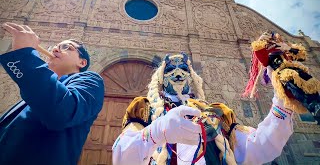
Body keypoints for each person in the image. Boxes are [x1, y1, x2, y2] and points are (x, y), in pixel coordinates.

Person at [112, 50, 294, 165]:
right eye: (170, 70)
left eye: (183, 68)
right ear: (161, 77)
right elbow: (121, 157)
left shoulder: (215, 113)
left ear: (191, 76)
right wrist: (156, 131)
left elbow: (258, 148)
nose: (178, 73)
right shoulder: (144, 109)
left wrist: (283, 102)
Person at [0, 22, 105, 164]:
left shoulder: (91, 80)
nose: (55, 49)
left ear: (82, 62)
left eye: (66, 47)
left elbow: (61, 112)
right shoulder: (38, 88)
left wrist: (25, 56)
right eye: (55, 46)